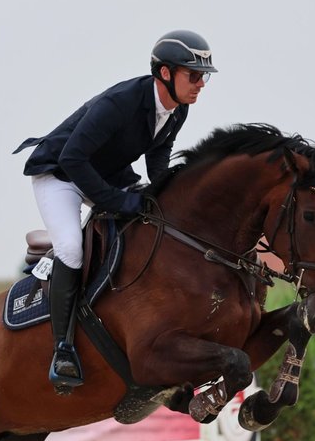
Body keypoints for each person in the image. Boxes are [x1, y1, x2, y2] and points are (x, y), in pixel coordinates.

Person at [13, 29, 217, 393]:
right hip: (60, 176)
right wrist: (117, 200)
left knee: (154, 218)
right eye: (194, 74)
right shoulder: (120, 103)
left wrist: (165, 192)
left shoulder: (177, 108)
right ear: (165, 73)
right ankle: (63, 348)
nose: (201, 83)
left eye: (203, 76)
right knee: (72, 249)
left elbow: (157, 154)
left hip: (106, 173)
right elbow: (72, 158)